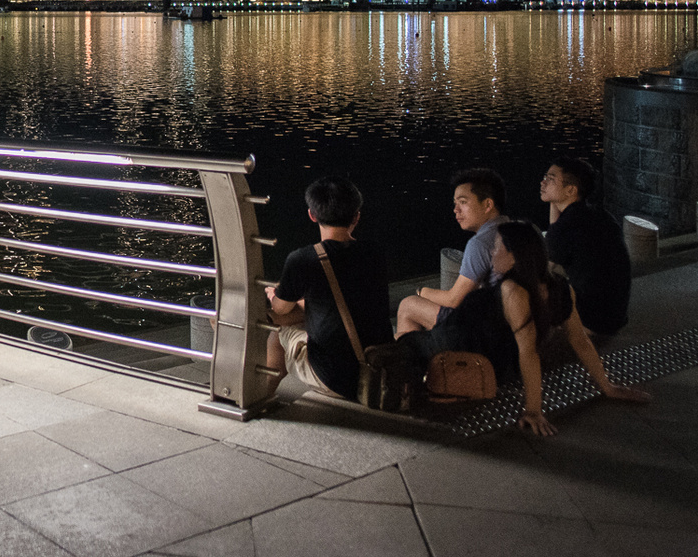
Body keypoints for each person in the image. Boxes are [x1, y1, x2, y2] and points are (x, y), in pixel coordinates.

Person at [403, 221, 649, 436]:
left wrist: (534, 410)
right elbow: (579, 339)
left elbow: (528, 352)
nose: (492, 252)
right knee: (411, 329)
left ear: (514, 255)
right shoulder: (560, 287)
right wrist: (606, 386)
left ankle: (405, 385)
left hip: (463, 345)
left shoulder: (513, 291)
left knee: (405, 343)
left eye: (498, 246)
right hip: (474, 339)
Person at [263, 177, 394, 399]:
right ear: (356, 216)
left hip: (336, 379)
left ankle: (260, 395)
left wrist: (274, 294)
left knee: (279, 334)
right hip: (380, 369)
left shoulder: (302, 259)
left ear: (312, 215)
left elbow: (281, 310)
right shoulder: (375, 252)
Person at [396, 168, 508, 335]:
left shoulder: (481, 243)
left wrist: (422, 291)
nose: (456, 210)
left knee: (408, 305)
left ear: (487, 205)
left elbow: (454, 300)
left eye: (463, 202)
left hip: (489, 331)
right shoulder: (520, 229)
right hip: (516, 322)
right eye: (455, 203)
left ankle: (408, 359)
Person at [541, 157, 632, 339]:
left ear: (571, 190)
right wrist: (554, 200)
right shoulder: (600, 216)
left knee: (534, 285)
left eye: (550, 179)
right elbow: (556, 237)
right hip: (615, 315)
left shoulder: (566, 227)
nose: (542, 182)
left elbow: (543, 271)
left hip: (592, 321)